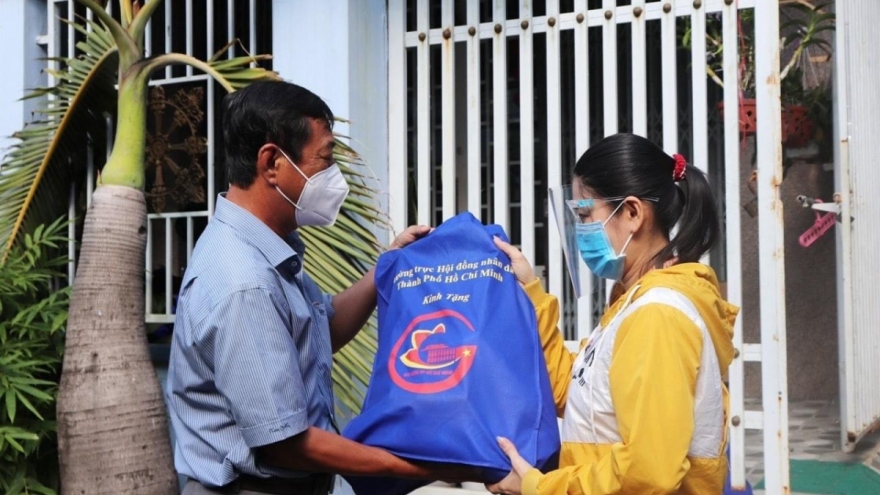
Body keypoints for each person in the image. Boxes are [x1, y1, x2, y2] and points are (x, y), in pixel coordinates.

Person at [166, 81, 464, 495]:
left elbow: (319, 331)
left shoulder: (265, 250)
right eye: (325, 159)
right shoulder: (244, 281)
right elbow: (285, 443)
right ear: (272, 162)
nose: (334, 177)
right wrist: (416, 466)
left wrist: (387, 267)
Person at [487, 133, 738, 495]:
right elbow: (573, 393)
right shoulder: (633, 302)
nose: (580, 230)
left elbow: (649, 472)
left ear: (633, 213)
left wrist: (538, 487)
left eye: (585, 214)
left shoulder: (657, 315)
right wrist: (532, 295)